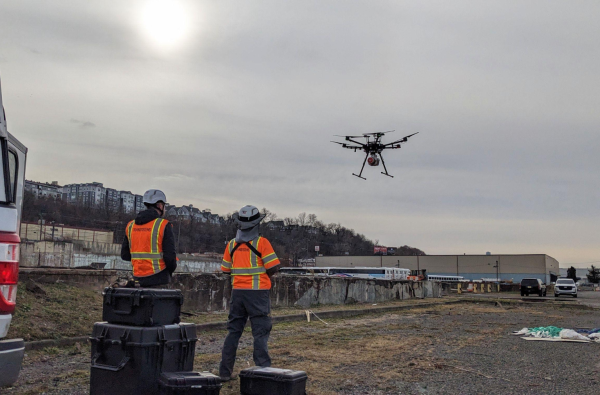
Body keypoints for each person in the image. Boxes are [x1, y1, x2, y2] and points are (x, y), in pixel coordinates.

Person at [219, 205, 281, 381]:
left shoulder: (231, 244)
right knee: (260, 333)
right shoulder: (262, 243)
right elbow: (273, 267)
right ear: (256, 224)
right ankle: (263, 373)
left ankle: (224, 372)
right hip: (258, 294)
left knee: (233, 332)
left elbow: (225, 270)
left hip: (237, 293)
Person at [121, 189, 177, 287]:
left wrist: (141, 264)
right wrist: (169, 272)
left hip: (137, 279)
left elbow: (125, 255)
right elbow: (170, 257)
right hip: (159, 279)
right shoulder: (163, 225)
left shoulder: (131, 226)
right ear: (160, 205)